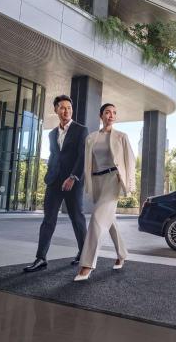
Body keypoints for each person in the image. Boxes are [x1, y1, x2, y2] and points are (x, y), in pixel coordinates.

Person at [23, 95, 88, 272]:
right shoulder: (52, 133)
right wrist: (48, 174)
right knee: (48, 219)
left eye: (69, 107)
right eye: (62, 108)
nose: (66, 111)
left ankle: (84, 253)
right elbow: (54, 155)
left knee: (77, 217)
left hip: (73, 182)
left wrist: (73, 177)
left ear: (72, 110)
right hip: (54, 181)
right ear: (56, 110)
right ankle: (40, 258)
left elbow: (83, 157)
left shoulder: (81, 130)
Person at [74, 103, 135, 281]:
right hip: (97, 181)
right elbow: (88, 162)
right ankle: (122, 253)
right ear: (101, 116)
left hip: (113, 179)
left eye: (114, 113)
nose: (111, 115)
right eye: (107, 112)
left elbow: (130, 162)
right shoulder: (91, 138)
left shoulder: (121, 137)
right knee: (109, 221)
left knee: (97, 219)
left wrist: (129, 185)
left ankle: (87, 264)